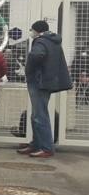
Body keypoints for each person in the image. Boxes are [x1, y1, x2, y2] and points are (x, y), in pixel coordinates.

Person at [19, 20, 72, 158]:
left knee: (39, 115)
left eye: (32, 30)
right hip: (47, 82)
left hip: (39, 82)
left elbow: (36, 55)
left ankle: (46, 148)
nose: (31, 32)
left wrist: (29, 70)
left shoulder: (41, 41)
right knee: (37, 114)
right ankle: (36, 144)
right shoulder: (54, 41)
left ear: (37, 30)